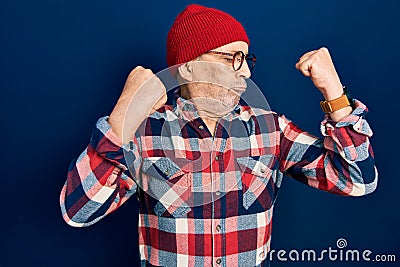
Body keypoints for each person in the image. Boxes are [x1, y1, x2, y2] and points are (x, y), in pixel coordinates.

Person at [60, 4, 378, 267]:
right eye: (232, 59)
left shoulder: (272, 130)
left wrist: (335, 95)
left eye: (247, 59)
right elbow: (78, 211)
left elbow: (358, 181)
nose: (247, 73)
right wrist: (121, 120)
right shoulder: (144, 135)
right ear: (186, 67)